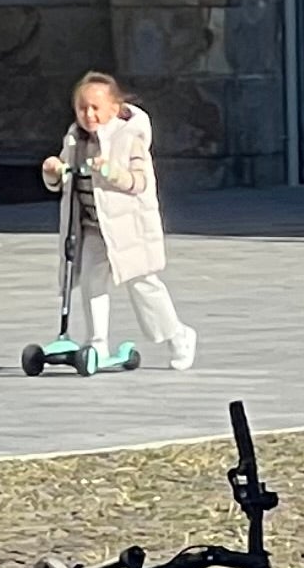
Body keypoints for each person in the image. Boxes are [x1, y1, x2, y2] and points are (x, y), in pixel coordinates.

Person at [41, 71, 197, 371]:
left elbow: (139, 182)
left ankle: (178, 335)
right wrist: (53, 172)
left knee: (143, 285)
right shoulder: (75, 139)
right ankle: (97, 341)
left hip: (129, 229)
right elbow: (65, 179)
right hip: (92, 226)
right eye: (82, 108)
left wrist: (112, 172)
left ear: (114, 108)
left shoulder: (131, 137)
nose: (89, 115)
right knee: (92, 281)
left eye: (95, 108)